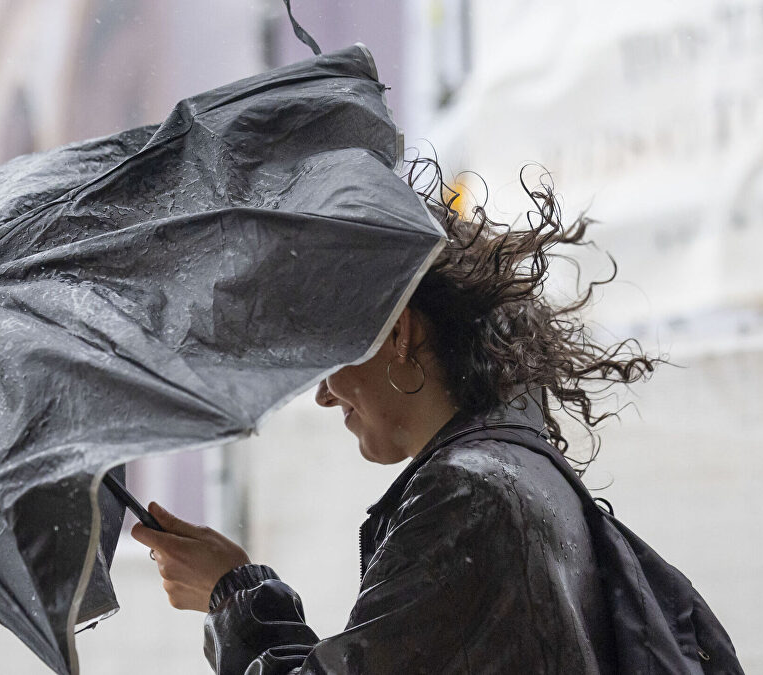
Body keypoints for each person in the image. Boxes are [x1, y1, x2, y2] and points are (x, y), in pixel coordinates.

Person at [130, 159, 660, 674]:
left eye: (332, 357)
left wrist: (234, 597)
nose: (324, 395)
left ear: (399, 335)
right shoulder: (515, 470)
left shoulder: (469, 496)